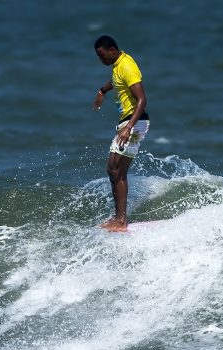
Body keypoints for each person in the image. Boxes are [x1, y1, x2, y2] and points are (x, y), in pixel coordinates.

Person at [92, 35, 150, 232]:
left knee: (116, 168)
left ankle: (121, 220)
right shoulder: (118, 65)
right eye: (98, 57)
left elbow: (142, 100)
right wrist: (102, 91)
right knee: (114, 170)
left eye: (103, 56)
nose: (101, 60)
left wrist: (128, 128)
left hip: (135, 122)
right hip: (130, 122)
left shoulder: (127, 66)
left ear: (113, 50)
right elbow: (116, 81)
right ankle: (118, 217)